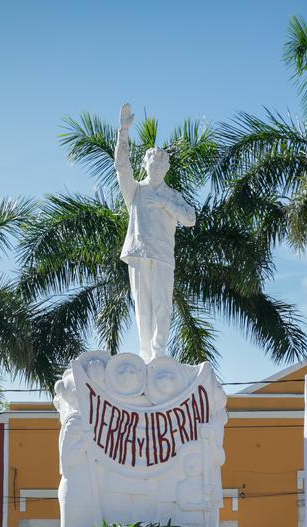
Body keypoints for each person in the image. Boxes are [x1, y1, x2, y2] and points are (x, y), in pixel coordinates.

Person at [115, 101, 197, 362]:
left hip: (163, 256)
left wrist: (166, 204)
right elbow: (121, 167)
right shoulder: (135, 190)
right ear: (146, 166)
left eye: (162, 166)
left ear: (167, 169)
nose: (157, 169)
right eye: (153, 165)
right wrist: (123, 132)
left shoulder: (173, 196)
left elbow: (190, 219)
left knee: (163, 306)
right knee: (143, 307)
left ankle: (159, 353)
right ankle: (145, 353)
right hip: (139, 253)